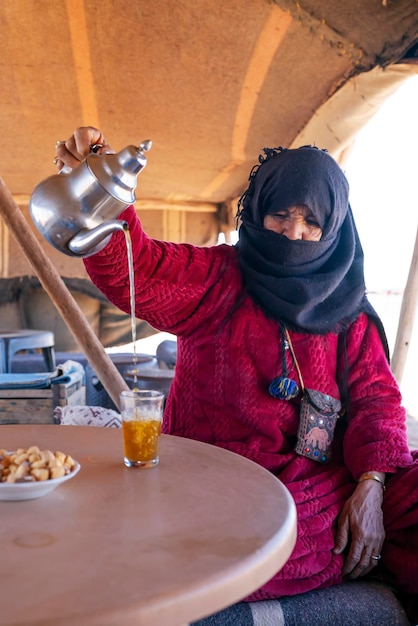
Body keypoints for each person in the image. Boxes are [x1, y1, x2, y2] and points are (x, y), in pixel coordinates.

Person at [55, 127, 418, 620]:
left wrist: (371, 488)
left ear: (335, 226)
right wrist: (96, 187)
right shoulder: (218, 280)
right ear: (256, 212)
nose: (294, 232)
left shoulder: (348, 308)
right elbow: (134, 268)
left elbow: (378, 401)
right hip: (220, 488)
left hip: (322, 487)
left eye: (312, 221)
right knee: (210, 550)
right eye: (281, 214)